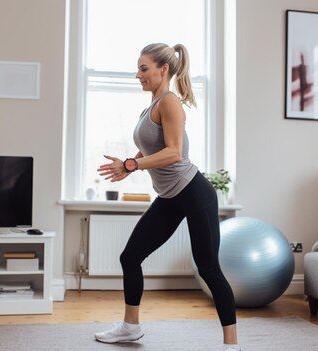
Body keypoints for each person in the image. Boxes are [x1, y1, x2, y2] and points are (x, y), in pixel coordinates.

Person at [95, 43, 240, 351]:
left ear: (163, 69)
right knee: (130, 257)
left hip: (194, 192)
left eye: (143, 68)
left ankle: (232, 344)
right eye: (138, 69)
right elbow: (151, 146)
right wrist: (129, 166)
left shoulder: (170, 102)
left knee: (208, 269)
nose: (138, 75)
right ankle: (130, 327)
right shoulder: (151, 105)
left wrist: (132, 164)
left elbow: (174, 153)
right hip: (170, 197)